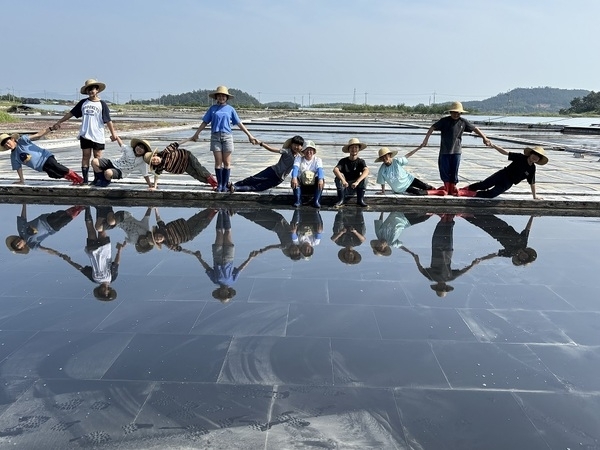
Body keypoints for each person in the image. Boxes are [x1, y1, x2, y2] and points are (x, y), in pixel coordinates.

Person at [401, 214, 496, 297]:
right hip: (446, 249)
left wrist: (416, 259)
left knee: (444, 227)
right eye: (443, 288)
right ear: (445, 286)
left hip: (438, 248)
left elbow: (421, 269)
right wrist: (473, 265)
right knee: (448, 228)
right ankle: (449, 214)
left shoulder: (433, 277)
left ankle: (447, 214)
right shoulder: (448, 277)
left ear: (438, 286)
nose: (441, 286)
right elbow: (463, 272)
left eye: (440, 288)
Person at [187, 86, 258, 192]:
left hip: (227, 137)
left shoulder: (230, 109)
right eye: (219, 96)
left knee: (227, 163)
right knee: (218, 162)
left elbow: (239, 123)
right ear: (216, 97)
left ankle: (225, 185)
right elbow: (205, 122)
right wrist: (196, 134)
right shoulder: (212, 109)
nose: (221, 98)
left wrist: (249, 135)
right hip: (215, 137)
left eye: (223, 96)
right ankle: (219, 185)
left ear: (227, 98)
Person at [51, 79, 122, 183]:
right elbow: (71, 113)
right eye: (88, 89)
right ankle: (85, 180)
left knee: (97, 158)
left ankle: (97, 178)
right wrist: (59, 122)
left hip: (97, 134)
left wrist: (113, 134)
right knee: (85, 156)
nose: (90, 91)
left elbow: (108, 120)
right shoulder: (83, 103)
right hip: (85, 134)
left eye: (92, 89)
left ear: (97, 90)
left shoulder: (102, 104)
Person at [418, 101, 491, 195]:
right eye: (454, 112)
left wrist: (484, 138)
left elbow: (475, 129)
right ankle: (446, 187)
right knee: (444, 169)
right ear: (451, 112)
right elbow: (432, 127)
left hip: (456, 151)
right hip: (445, 150)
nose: (456, 114)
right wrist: (425, 140)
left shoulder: (463, 122)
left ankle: (452, 187)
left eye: (458, 113)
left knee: (454, 169)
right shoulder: (444, 121)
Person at [58, 206, 124, 301]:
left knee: (90, 229)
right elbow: (116, 264)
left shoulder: (94, 279)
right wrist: (119, 250)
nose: (103, 292)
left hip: (93, 251)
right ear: (109, 291)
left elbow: (81, 269)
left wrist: (69, 261)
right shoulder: (111, 278)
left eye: (101, 293)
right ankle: (100, 208)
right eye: (105, 293)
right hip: (105, 249)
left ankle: (87, 206)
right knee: (101, 229)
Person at [458, 144, 548, 199]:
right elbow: (506, 153)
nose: (535, 157)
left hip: (509, 182)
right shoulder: (520, 157)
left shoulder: (532, 169)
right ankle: (466, 189)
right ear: (531, 154)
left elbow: (532, 183)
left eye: (538, 156)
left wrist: (534, 196)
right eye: (534, 154)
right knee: (484, 185)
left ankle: (471, 194)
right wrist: (494, 146)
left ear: (539, 159)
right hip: (503, 174)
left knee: (492, 194)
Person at [1, 129, 83, 185]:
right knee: (53, 174)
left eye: (8, 142)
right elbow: (18, 168)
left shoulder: (22, 141)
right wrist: (21, 180)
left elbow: (38, 135)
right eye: (6, 145)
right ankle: (72, 179)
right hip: (40, 166)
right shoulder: (13, 156)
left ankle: (78, 178)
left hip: (45, 157)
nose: (8, 145)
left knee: (58, 167)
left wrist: (50, 129)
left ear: (12, 139)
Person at [230, 135, 305, 192]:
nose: (296, 147)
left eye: (298, 145)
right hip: (272, 171)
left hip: (279, 179)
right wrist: (262, 144)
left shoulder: (299, 158)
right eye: (294, 144)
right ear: (291, 145)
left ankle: (235, 188)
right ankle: (235, 185)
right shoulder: (287, 151)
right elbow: (273, 149)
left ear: (301, 147)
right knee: (253, 179)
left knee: (257, 188)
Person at [5, 204, 84, 255]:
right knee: (68, 218)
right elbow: (45, 250)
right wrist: (57, 253)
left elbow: (23, 216)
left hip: (46, 219)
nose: (18, 242)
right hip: (52, 228)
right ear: (22, 247)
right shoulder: (32, 245)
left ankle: (78, 206)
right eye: (18, 245)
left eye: (16, 242)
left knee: (62, 213)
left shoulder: (21, 229)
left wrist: (24, 204)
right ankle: (82, 207)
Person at [462, 214, 538, 266]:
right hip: (503, 226)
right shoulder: (523, 243)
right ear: (527, 253)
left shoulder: (510, 253)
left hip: (495, 233)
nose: (523, 256)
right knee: (486, 216)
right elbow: (527, 228)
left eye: (523, 258)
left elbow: (495, 254)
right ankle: (472, 205)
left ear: (520, 259)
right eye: (526, 256)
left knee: (478, 222)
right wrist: (532, 216)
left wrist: (481, 259)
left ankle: (461, 214)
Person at [143, 142, 217, 189]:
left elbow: (177, 144)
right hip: (184, 167)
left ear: (155, 155)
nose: (155, 162)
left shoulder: (165, 152)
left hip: (187, 157)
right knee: (199, 177)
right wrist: (155, 187)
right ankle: (216, 183)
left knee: (199, 170)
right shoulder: (160, 167)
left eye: (154, 159)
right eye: (153, 163)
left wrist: (191, 138)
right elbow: (156, 176)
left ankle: (215, 184)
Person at [374, 147, 446, 196]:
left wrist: (419, 148)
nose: (384, 158)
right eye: (382, 157)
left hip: (409, 179)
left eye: (385, 156)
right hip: (401, 188)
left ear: (389, 155)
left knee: (425, 186)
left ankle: (438, 189)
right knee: (418, 192)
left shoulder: (396, 161)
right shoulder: (382, 170)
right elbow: (382, 182)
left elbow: (407, 156)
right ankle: (437, 192)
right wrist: (383, 192)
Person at [333, 137, 370, 207]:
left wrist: (357, 181)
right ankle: (341, 199)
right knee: (338, 177)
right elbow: (335, 169)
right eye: (352, 147)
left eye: (356, 147)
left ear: (358, 149)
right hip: (345, 186)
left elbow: (367, 170)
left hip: (355, 186)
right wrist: (343, 180)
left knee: (365, 177)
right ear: (349, 149)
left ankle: (360, 200)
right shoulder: (343, 161)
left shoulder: (361, 161)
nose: (354, 149)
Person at [290, 140, 325, 208]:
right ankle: (298, 200)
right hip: (302, 184)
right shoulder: (299, 158)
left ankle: (316, 201)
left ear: (314, 151)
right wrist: (294, 178)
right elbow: (295, 168)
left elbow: (320, 170)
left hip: (313, 184)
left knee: (321, 179)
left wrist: (320, 179)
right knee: (294, 178)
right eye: (307, 150)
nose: (309, 152)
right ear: (303, 151)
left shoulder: (317, 160)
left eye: (311, 150)